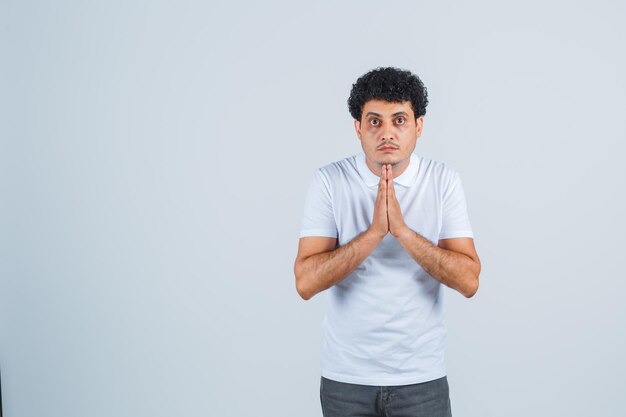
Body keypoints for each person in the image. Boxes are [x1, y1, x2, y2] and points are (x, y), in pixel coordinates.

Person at [293, 66, 481, 417]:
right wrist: (375, 233)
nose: (387, 133)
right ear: (358, 128)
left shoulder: (442, 181)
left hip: (421, 379)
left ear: (418, 126)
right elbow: (305, 283)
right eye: (374, 121)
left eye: (399, 120)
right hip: (346, 379)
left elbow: (469, 281)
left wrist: (404, 233)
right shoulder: (329, 181)